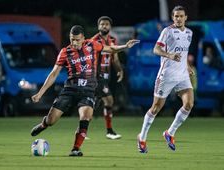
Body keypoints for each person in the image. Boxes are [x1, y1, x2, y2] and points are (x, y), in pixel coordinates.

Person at [30, 25, 139, 156]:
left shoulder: (92, 45)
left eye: (77, 39)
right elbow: (53, 74)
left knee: (86, 117)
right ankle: (44, 124)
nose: (74, 42)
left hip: (88, 90)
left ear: (83, 38)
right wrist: (40, 93)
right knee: (52, 120)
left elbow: (110, 49)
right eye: (72, 39)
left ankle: (75, 148)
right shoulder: (65, 52)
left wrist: (125, 46)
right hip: (70, 90)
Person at [137, 5, 194, 153]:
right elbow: (156, 49)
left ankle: (170, 133)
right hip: (166, 75)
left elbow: (183, 52)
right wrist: (169, 55)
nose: (179, 18)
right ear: (172, 17)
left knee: (188, 104)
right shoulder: (167, 31)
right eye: (176, 16)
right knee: (156, 108)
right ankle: (142, 137)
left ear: (186, 17)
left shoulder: (189, 32)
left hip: (182, 76)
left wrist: (187, 66)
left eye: (181, 16)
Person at [92, 16, 123, 139]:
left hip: (107, 76)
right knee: (109, 100)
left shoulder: (113, 41)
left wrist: (120, 70)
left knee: (93, 105)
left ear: (110, 27)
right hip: (96, 77)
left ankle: (82, 130)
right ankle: (109, 131)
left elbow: (115, 58)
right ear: (98, 26)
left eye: (106, 24)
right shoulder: (93, 41)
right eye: (102, 24)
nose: (104, 26)